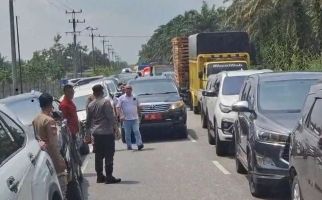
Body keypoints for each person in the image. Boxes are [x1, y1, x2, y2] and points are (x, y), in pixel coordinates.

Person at [33, 93, 67, 198]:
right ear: (50, 104)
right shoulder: (49, 120)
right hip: (54, 159)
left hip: (44, 159)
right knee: (62, 191)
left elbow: (37, 138)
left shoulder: (36, 119)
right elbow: (54, 144)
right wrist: (61, 163)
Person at [86, 84, 121, 184]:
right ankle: (109, 176)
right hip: (106, 132)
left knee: (98, 155)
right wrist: (116, 129)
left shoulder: (90, 105)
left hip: (96, 133)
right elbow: (110, 117)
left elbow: (88, 121)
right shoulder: (105, 102)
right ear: (102, 91)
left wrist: (87, 134)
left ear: (94, 93)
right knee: (109, 154)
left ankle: (100, 176)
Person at [116, 85, 144, 150]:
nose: (128, 90)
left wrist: (140, 113)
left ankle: (139, 144)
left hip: (135, 118)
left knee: (136, 131)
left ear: (132, 89)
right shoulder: (121, 98)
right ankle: (129, 145)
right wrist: (120, 115)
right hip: (126, 119)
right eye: (127, 89)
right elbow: (118, 107)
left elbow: (138, 106)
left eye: (130, 88)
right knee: (127, 133)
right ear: (125, 90)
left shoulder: (135, 97)